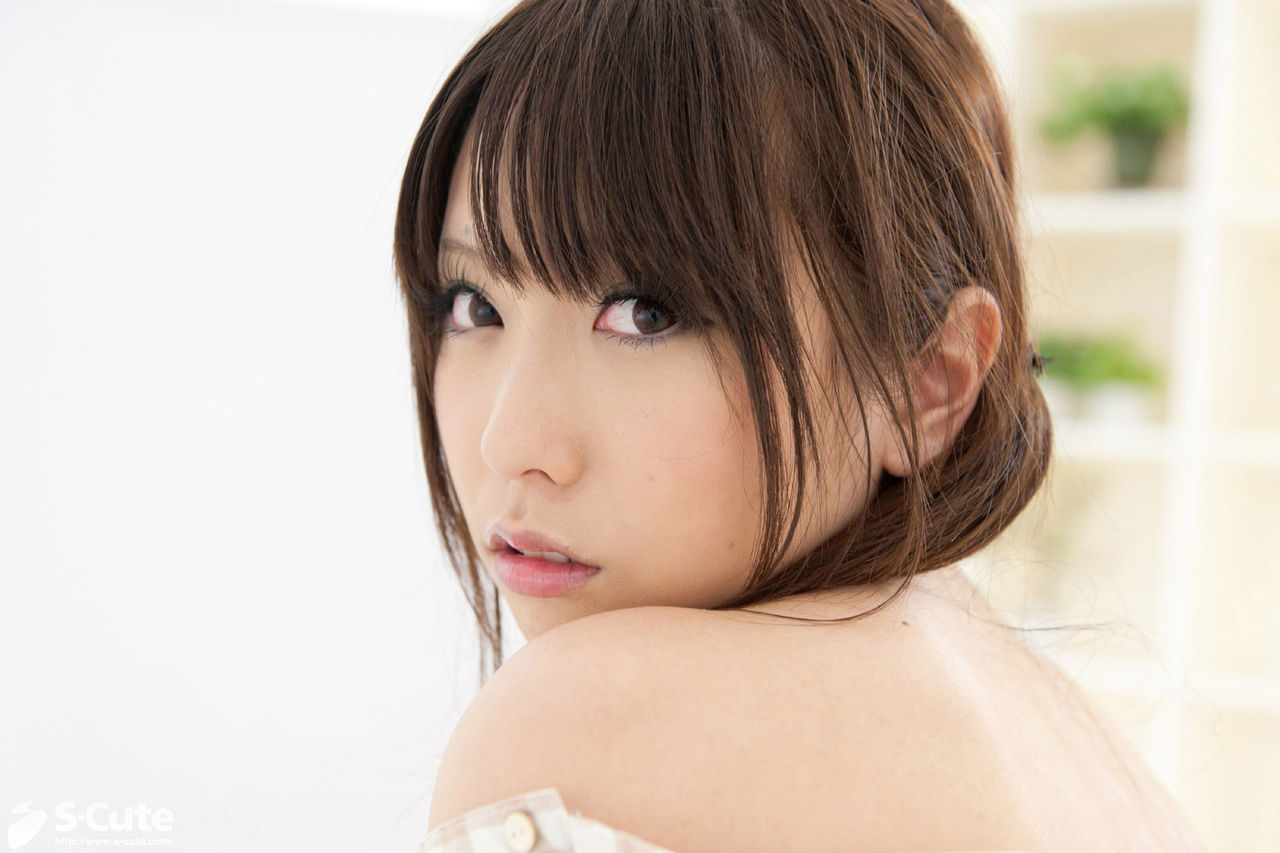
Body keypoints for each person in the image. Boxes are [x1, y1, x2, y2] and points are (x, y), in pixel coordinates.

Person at [393, 0, 1208, 850]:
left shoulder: (577, 728)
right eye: (473, 304)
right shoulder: (1098, 767)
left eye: (645, 314)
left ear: (928, 380)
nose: (510, 443)